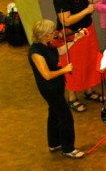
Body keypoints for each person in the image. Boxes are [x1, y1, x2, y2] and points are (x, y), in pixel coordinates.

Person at [28, 19, 85, 159]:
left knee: (53, 113)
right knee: (65, 117)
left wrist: (75, 39)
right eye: (51, 32)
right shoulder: (36, 53)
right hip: (49, 88)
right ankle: (68, 148)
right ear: (43, 35)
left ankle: (54, 143)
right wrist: (64, 69)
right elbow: (47, 75)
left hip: (57, 86)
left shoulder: (48, 43)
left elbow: (60, 51)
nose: (55, 33)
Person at [53, 0, 104, 113]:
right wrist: (86, 11)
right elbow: (66, 21)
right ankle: (72, 97)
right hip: (72, 34)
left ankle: (88, 90)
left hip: (87, 29)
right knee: (73, 66)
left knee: (89, 60)